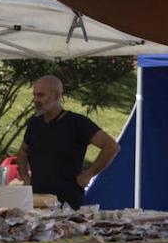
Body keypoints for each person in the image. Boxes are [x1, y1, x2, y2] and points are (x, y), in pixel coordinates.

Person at [16, 75, 120, 208]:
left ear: (57, 95)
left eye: (41, 95)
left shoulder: (77, 123)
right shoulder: (35, 123)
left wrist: (89, 174)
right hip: (37, 200)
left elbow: (111, 146)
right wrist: (25, 177)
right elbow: (23, 151)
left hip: (67, 202)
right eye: (34, 95)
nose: (36, 100)